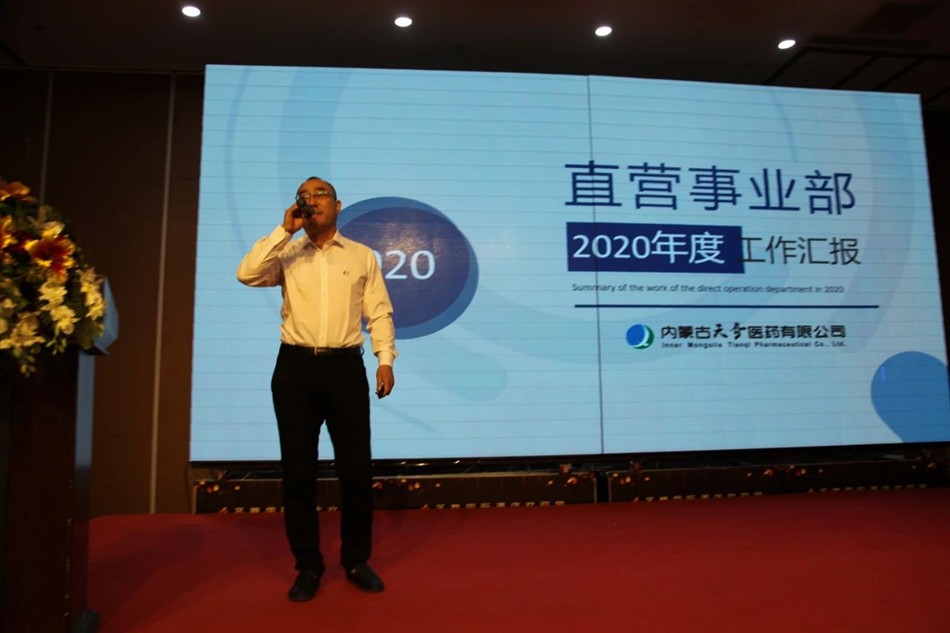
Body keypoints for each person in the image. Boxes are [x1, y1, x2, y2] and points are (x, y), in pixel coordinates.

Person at [236, 176, 396, 601]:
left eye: (319, 193)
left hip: (345, 369)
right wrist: (283, 230)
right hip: (296, 370)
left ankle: (356, 560)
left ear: (338, 205)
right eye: (303, 197)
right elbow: (246, 274)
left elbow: (379, 312)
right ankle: (307, 566)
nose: (311, 201)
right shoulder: (287, 253)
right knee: (298, 474)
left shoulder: (361, 256)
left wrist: (384, 360)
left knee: (356, 472)